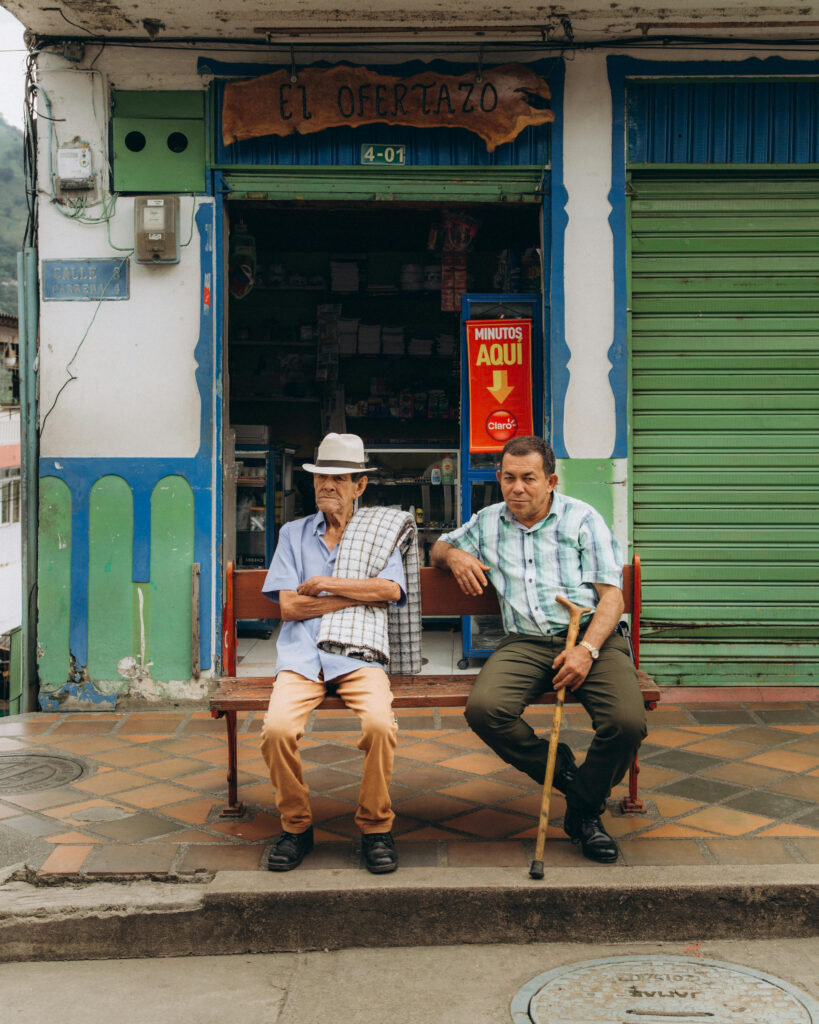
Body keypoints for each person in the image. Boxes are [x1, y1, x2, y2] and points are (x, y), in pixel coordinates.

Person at [430, 436, 646, 863]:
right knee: (485, 710)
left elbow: (612, 598)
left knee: (626, 723)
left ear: (550, 480)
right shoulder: (489, 521)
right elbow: (438, 546)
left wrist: (586, 650)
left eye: (529, 479)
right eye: (509, 478)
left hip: (589, 636)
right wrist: (454, 557)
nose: (518, 489)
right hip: (525, 642)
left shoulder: (583, 519)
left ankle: (583, 811)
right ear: (499, 478)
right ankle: (564, 769)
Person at [260, 432, 416, 874]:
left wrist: (328, 585)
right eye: (321, 477)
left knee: (380, 725)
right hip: (302, 657)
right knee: (276, 730)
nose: (327, 485)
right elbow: (290, 606)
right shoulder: (293, 534)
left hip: (359, 655)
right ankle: (296, 826)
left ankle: (375, 826)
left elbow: (389, 590)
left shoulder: (377, 532)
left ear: (359, 486)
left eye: (338, 478)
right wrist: (356, 596)